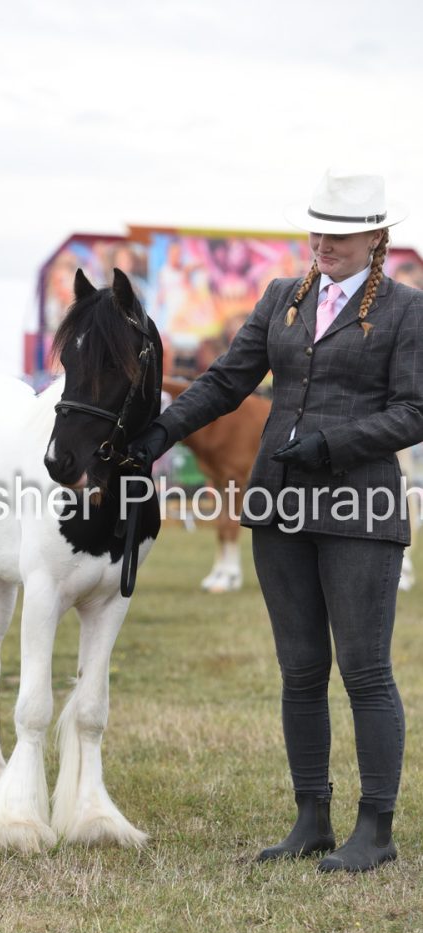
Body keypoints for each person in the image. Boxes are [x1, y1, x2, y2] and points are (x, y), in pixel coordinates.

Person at [131, 170, 423, 872]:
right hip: (277, 503)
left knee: (364, 671)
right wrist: (161, 432)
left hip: (359, 507)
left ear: (376, 238)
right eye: (318, 230)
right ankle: (310, 820)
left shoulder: (407, 310)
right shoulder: (280, 298)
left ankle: (375, 831)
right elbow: (225, 381)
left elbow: (414, 411)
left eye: (341, 235)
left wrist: (334, 445)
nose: (325, 243)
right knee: (299, 670)